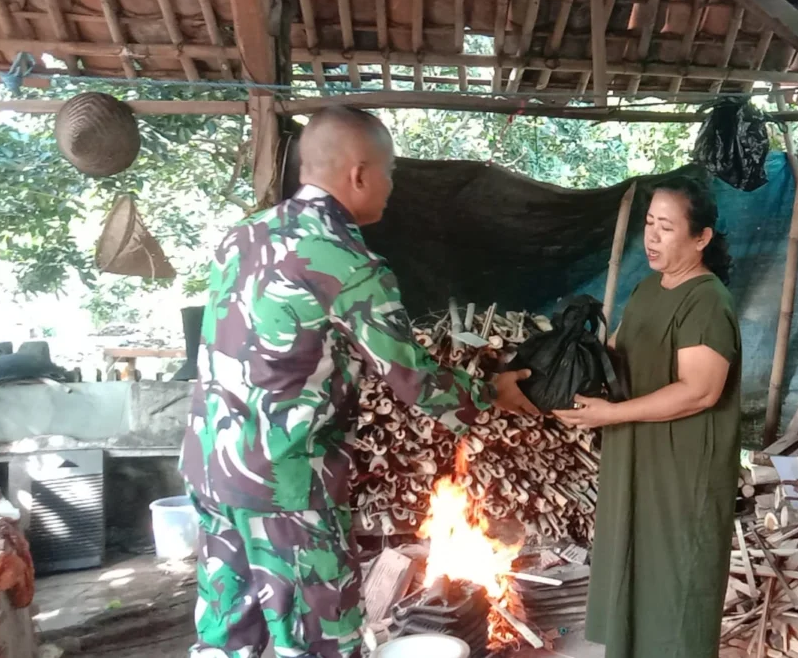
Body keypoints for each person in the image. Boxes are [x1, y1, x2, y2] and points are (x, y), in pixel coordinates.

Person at [179, 106, 536, 658]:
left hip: (213, 468)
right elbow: (414, 378)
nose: (392, 186)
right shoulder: (346, 262)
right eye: (390, 171)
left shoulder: (241, 237)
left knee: (227, 633)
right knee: (320, 642)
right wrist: (494, 394)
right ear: (360, 174)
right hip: (286, 486)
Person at [554, 173, 741, 658]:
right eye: (649, 224)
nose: (652, 237)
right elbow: (612, 357)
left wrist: (613, 415)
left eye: (667, 227)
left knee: (677, 586)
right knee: (635, 578)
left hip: (681, 471)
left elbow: (699, 391)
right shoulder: (646, 292)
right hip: (636, 459)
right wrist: (552, 370)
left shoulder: (706, 300)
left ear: (701, 238)